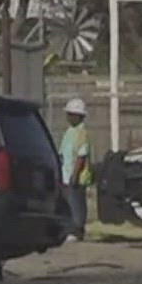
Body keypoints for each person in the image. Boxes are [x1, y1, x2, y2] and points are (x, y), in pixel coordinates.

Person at [58, 98, 93, 241]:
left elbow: (81, 155)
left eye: (71, 114)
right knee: (68, 204)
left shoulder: (81, 132)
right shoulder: (69, 131)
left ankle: (77, 230)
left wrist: (75, 174)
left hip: (76, 176)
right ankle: (69, 229)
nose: (69, 117)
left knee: (76, 203)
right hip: (65, 174)